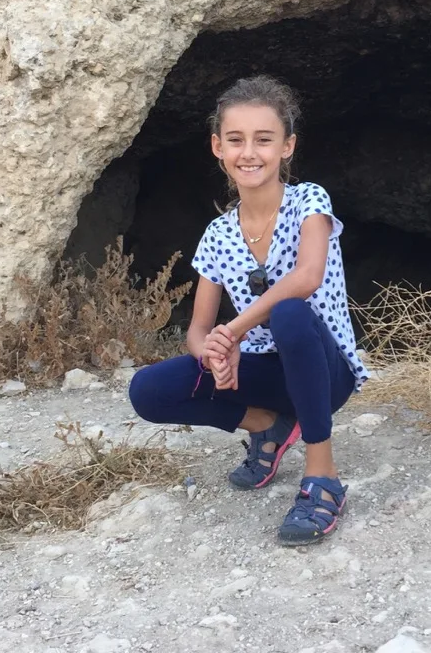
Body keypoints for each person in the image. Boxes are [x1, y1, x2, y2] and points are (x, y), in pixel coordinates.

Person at [128, 75, 370, 545]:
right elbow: (198, 329)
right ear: (217, 147)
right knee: (148, 390)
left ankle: (323, 476)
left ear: (287, 147)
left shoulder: (309, 201)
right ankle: (269, 428)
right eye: (236, 140)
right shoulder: (217, 234)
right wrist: (213, 352)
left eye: (264, 139)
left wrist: (234, 330)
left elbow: (307, 277)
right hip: (266, 374)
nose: (249, 153)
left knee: (290, 313)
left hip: (325, 372)